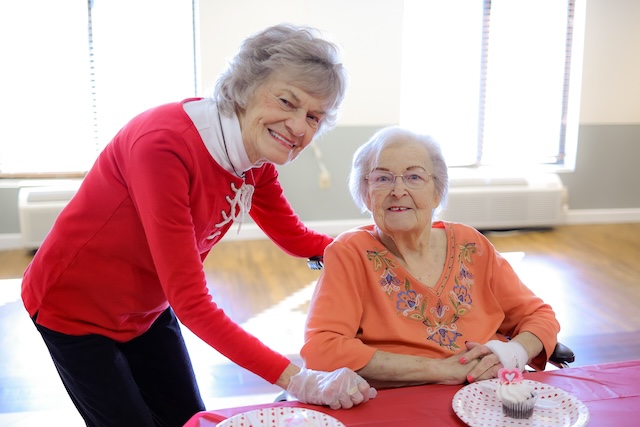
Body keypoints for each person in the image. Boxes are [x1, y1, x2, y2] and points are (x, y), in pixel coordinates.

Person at [21, 24, 375, 427]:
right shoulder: (164, 146)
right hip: (73, 312)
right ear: (247, 84)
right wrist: (300, 380)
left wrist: (370, 254)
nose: (298, 127)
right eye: (286, 101)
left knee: (190, 420)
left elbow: (295, 237)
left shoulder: (253, 159)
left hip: (146, 310)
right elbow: (193, 304)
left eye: (313, 116)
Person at [301, 126, 561, 389]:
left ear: (437, 191)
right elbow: (321, 349)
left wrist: (510, 354)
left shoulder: (471, 245)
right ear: (366, 195)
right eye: (382, 178)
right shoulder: (349, 253)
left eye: (414, 177)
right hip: (403, 402)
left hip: (489, 394)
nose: (398, 190)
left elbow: (539, 316)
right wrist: (439, 370)